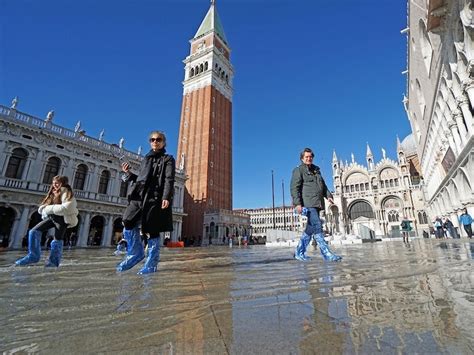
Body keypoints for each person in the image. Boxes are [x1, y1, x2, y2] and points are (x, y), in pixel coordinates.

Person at [118, 131, 175, 274]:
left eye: (158, 139)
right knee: (127, 220)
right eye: (152, 139)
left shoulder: (168, 159)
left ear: (164, 142)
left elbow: (169, 179)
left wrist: (166, 197)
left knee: (152, 229)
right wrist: (129, 173)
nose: (155, 142)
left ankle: (151, 263)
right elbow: (141, 179)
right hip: (139, 195)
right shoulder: (146, 158)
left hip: (154, 197)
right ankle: (136, 253)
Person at [290, 147, 342, 262]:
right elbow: (294, 187)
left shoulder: (316, 170)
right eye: (306, 157)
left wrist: (329, 196)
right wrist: (297, 204)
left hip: (318, 203)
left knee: (310, 229)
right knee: (317, 225)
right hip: (308, 203)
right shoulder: (298, 170)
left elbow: (323, 185)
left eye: (310, 156)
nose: (309, 158)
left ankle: (299, 252)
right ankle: (326, 254)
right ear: (302, 158)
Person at [15, 175, 78, 267]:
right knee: (33, 231)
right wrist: (45, 209)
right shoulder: (53, 192)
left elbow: (67, 208)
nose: (54, 185)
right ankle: (33, 256)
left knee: (57, 240)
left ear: (63, 183)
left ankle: (53, 263)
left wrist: (48, 209)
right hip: (52, 218)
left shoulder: (67, 192)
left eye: (57, 183)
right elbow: (47, 205)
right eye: (53, 183)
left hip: (62, 219)